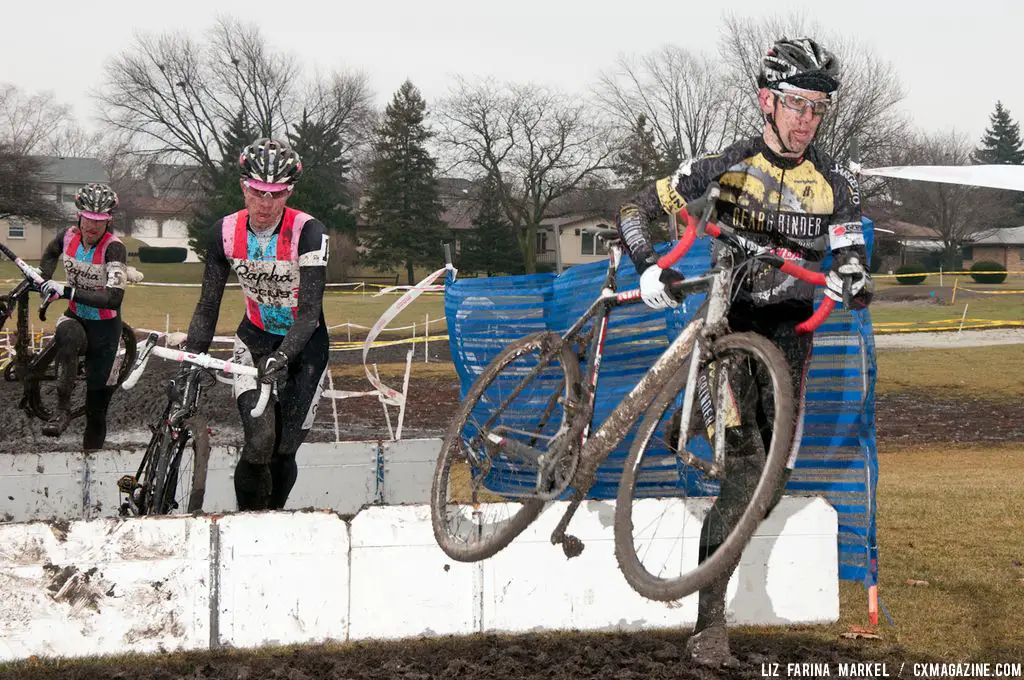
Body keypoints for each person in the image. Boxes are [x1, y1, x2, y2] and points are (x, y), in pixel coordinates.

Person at [616, 36, 873, 666]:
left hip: (790, 342)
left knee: (770, 481)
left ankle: (693, 436)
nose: (806, 120)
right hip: (727, 331)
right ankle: (710, 628)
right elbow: (634, 208)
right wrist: (648, 265)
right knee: (743, 470)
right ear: (766, 100)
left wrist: (854, 280)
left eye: (818, 108)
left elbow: (852, 257)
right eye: (795, 104)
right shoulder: (724, 165)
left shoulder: (833, 183)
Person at [180, 137, 330, 512]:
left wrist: (283, 358)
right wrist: (192, 356)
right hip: (253, 339)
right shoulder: (223, 232)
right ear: (243, 186)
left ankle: (273, 519)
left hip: (306, 348)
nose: (265, 203)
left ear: (289, 191)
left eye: (276, 194)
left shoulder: (309, 232)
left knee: (283, 451)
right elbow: (208, 303)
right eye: (257, 191)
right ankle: (244, 521)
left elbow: (310, 313)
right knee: (259, 441)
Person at [38, 183, 129, 451]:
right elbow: (50, 254)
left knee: (96, 409)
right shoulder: (66, 236)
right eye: (88, 218)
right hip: (76, 318)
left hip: (106, 330)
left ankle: (91, 457)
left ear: (108, 220)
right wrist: (42, 278)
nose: (93, 226)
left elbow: (114, 298)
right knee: (66, 334)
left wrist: (67, 290)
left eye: (100, 220)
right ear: (79, 215)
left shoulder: (115, 248)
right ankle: (62, 410)